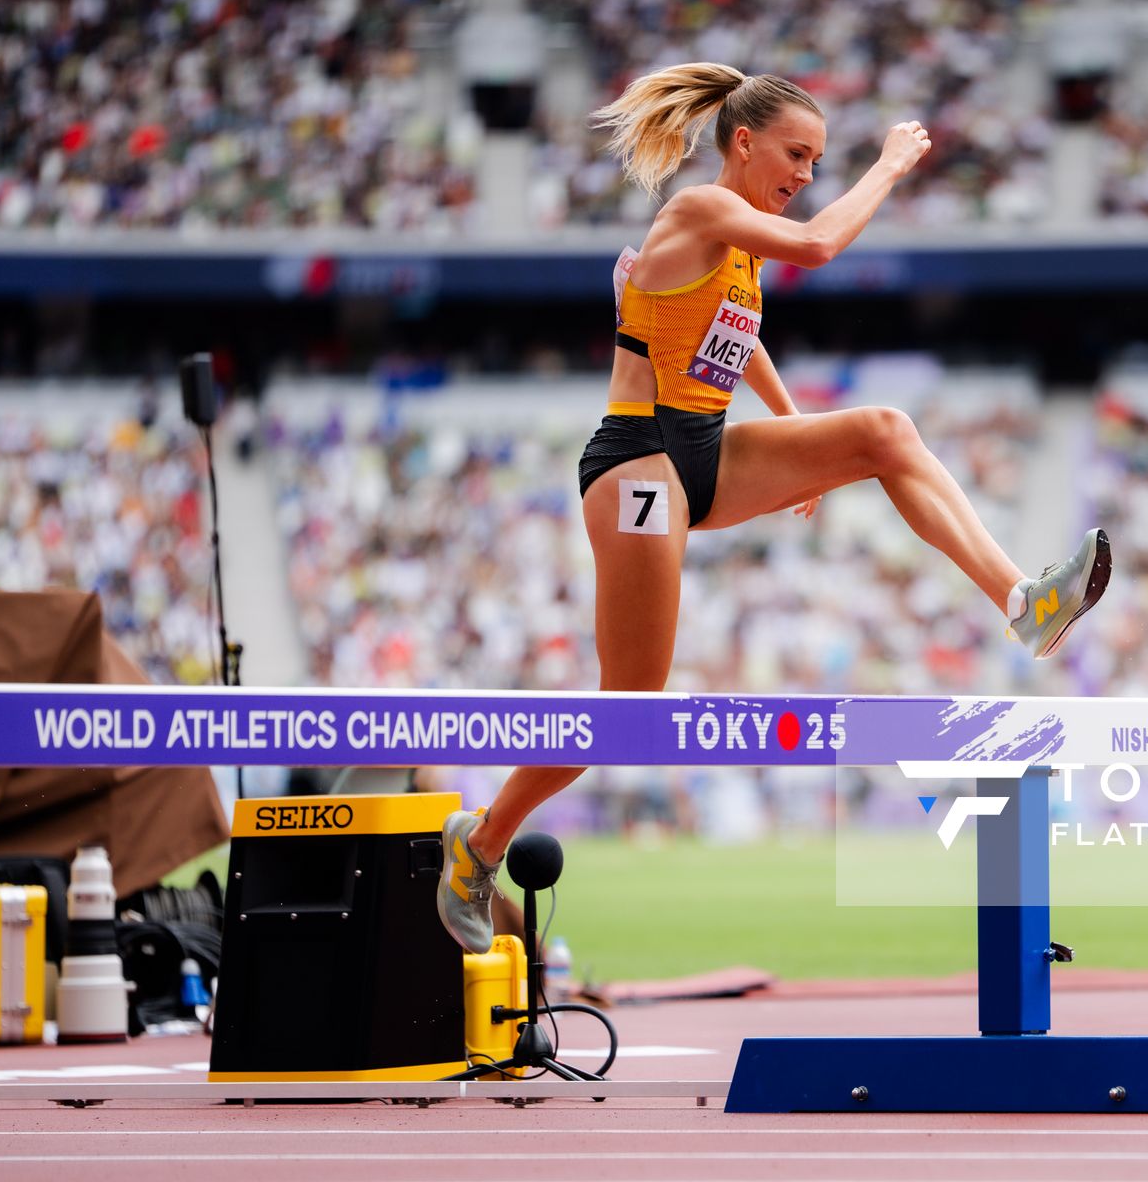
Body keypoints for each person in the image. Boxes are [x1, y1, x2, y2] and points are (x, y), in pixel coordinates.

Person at [437, 63, 1111, 953]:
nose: (805, 175)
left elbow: (736, 340)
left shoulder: (740, 242)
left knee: (882, 432)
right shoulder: (699, 211)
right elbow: (825, 247)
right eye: (796, 155)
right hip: (638, 461)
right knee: (630, 705)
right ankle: (479, 843)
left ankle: (1026, 605)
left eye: (819, 163)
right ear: (743, 143)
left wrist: (801, 441)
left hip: (707, 452)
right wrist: (890, 166)